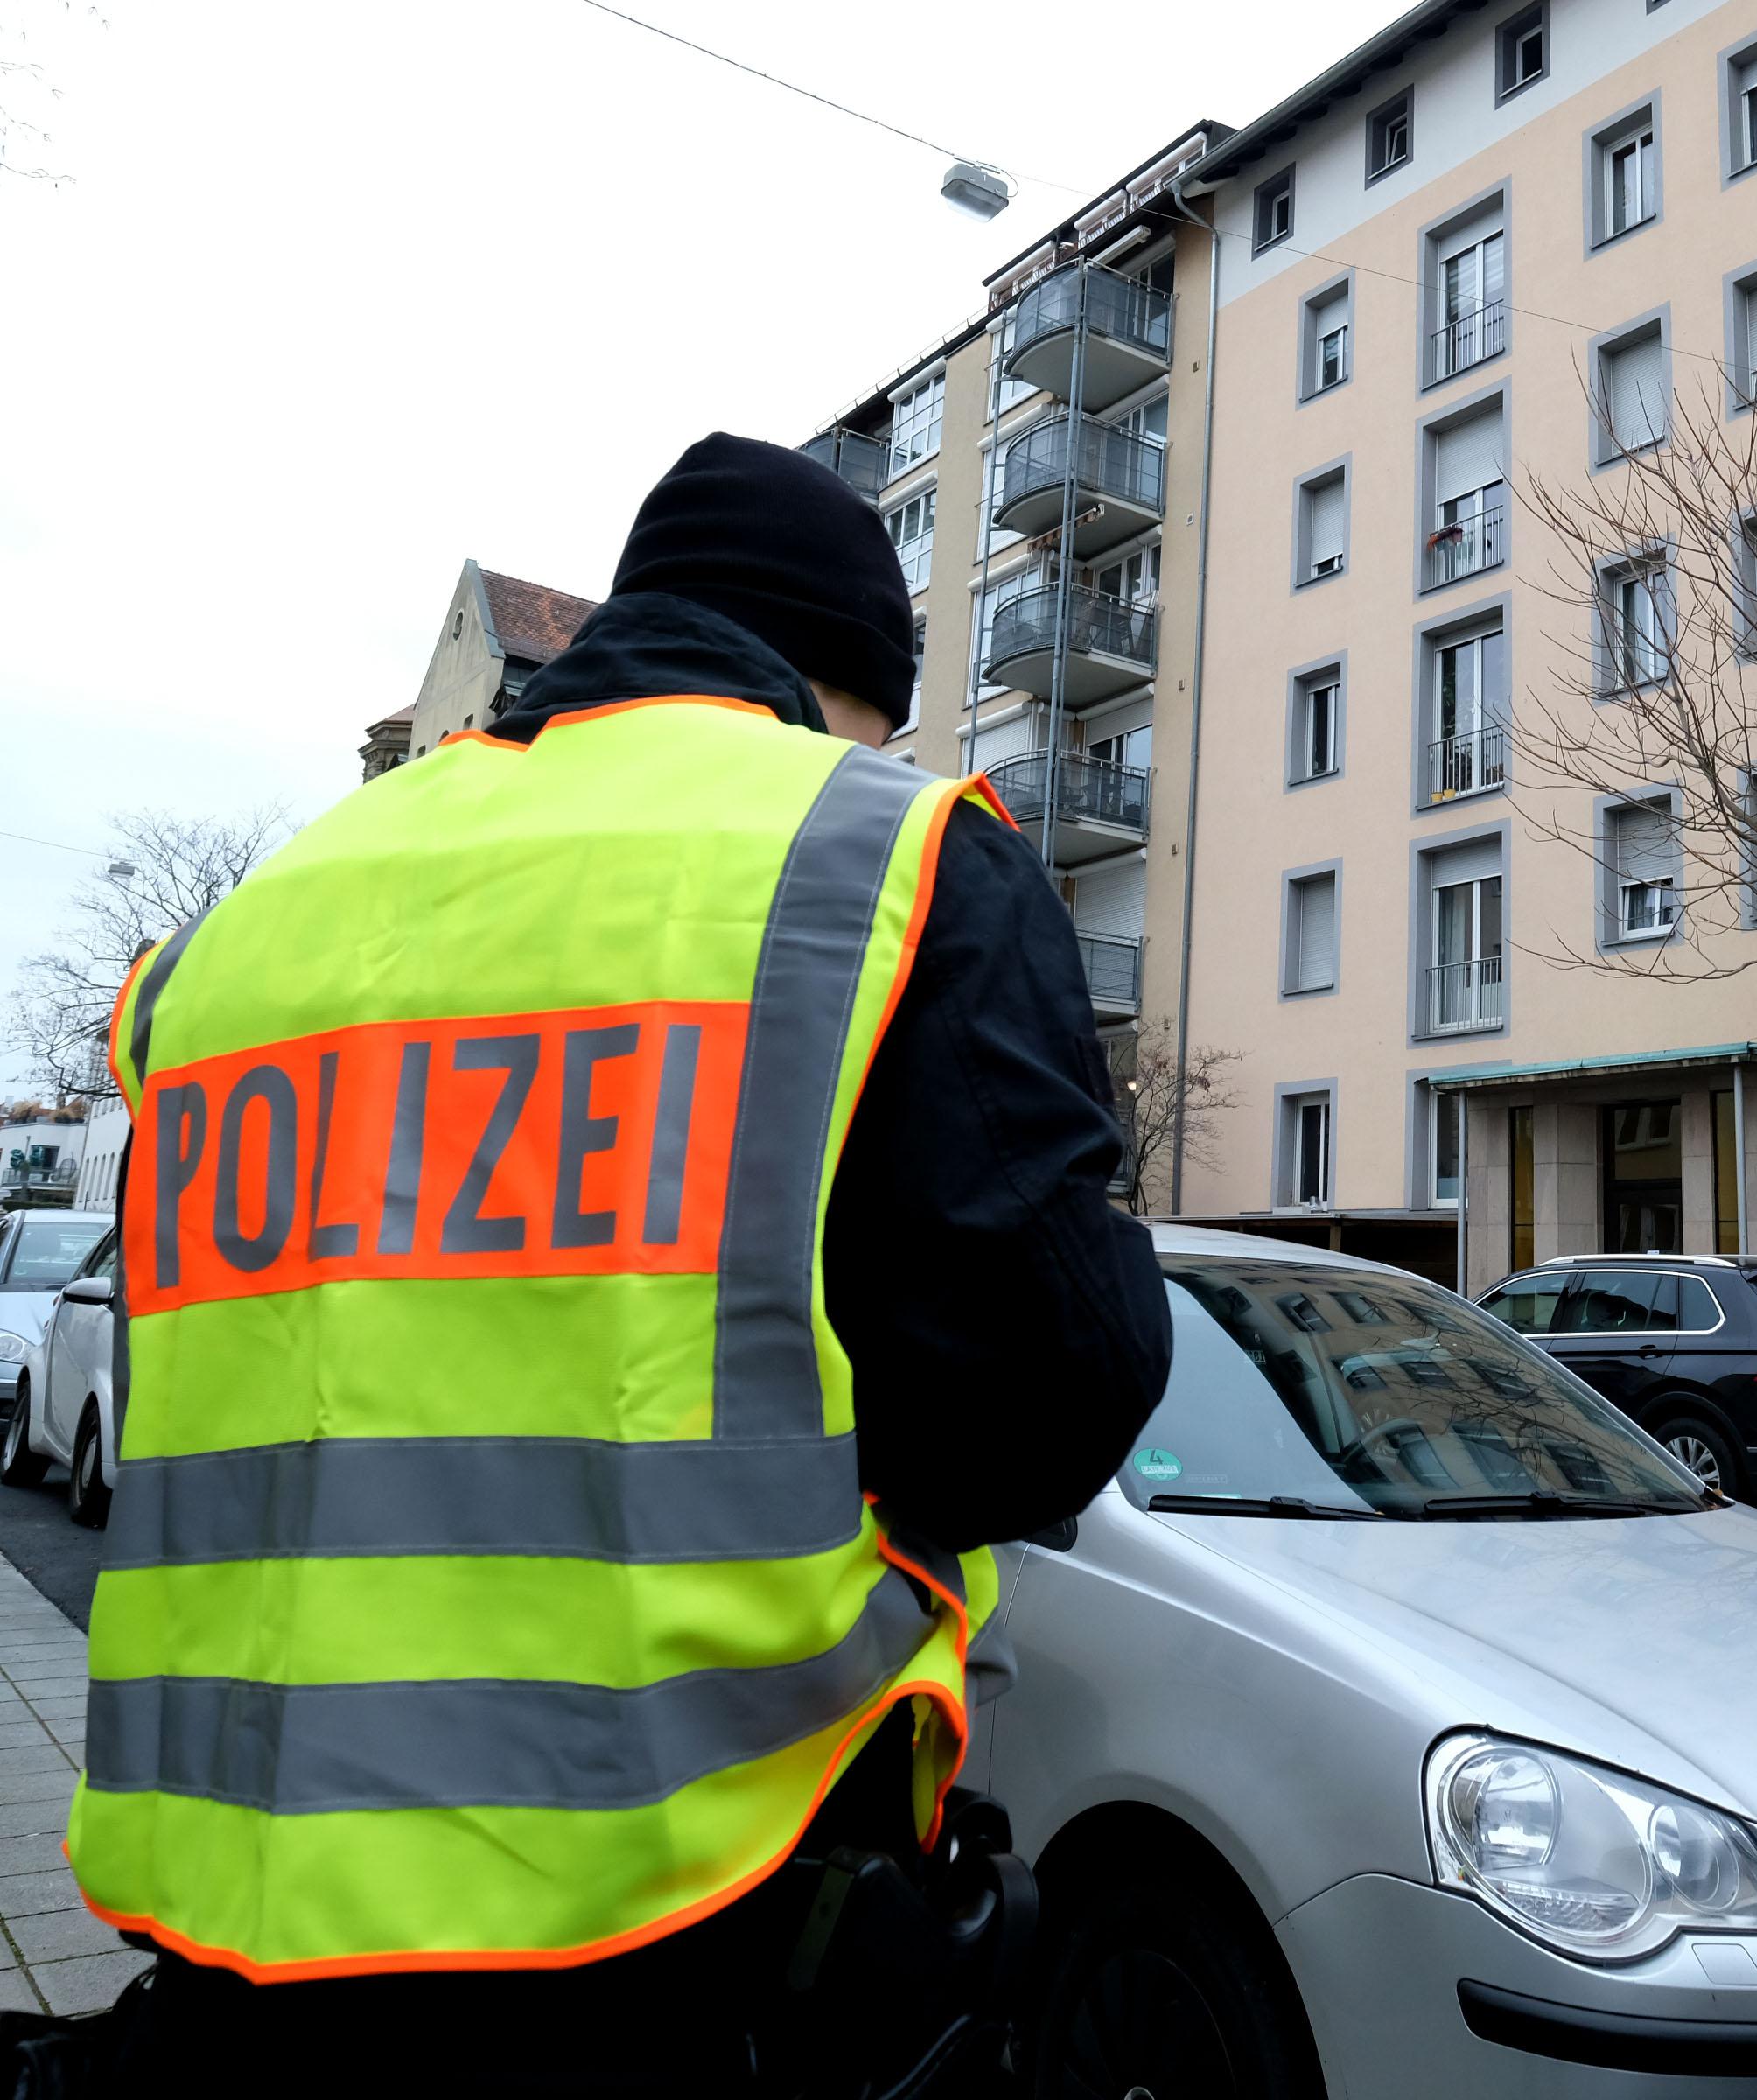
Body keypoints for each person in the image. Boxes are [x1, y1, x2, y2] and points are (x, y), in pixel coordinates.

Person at [74, 434, 1173, 2094]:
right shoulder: (872, 853)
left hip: (222, 1930)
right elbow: (1046, 1403)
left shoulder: (254, 926)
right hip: (676, 1933)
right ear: (841, 680)